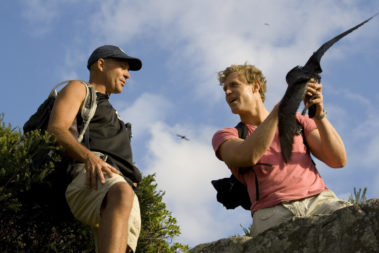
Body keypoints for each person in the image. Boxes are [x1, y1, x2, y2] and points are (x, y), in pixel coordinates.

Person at [212, 63, 352, 236]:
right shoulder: (227, 135)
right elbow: (247, 156)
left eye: (234, 85)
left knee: (355, 224)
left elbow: (338, 160)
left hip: (319, 201)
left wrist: (318, 114)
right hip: (271, 213)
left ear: (255, 86)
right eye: (225, 88)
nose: (227, 93)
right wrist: (280, 109)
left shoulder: (298, 121)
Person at [48, 45, 142, 252]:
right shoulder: (78, 88)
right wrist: (89, 158)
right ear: (101, 64)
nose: (127, 74)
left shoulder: (115, 114)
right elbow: (56, 129)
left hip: (120, 186)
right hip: (92, 175)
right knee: (121, 193)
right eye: (122, 67)